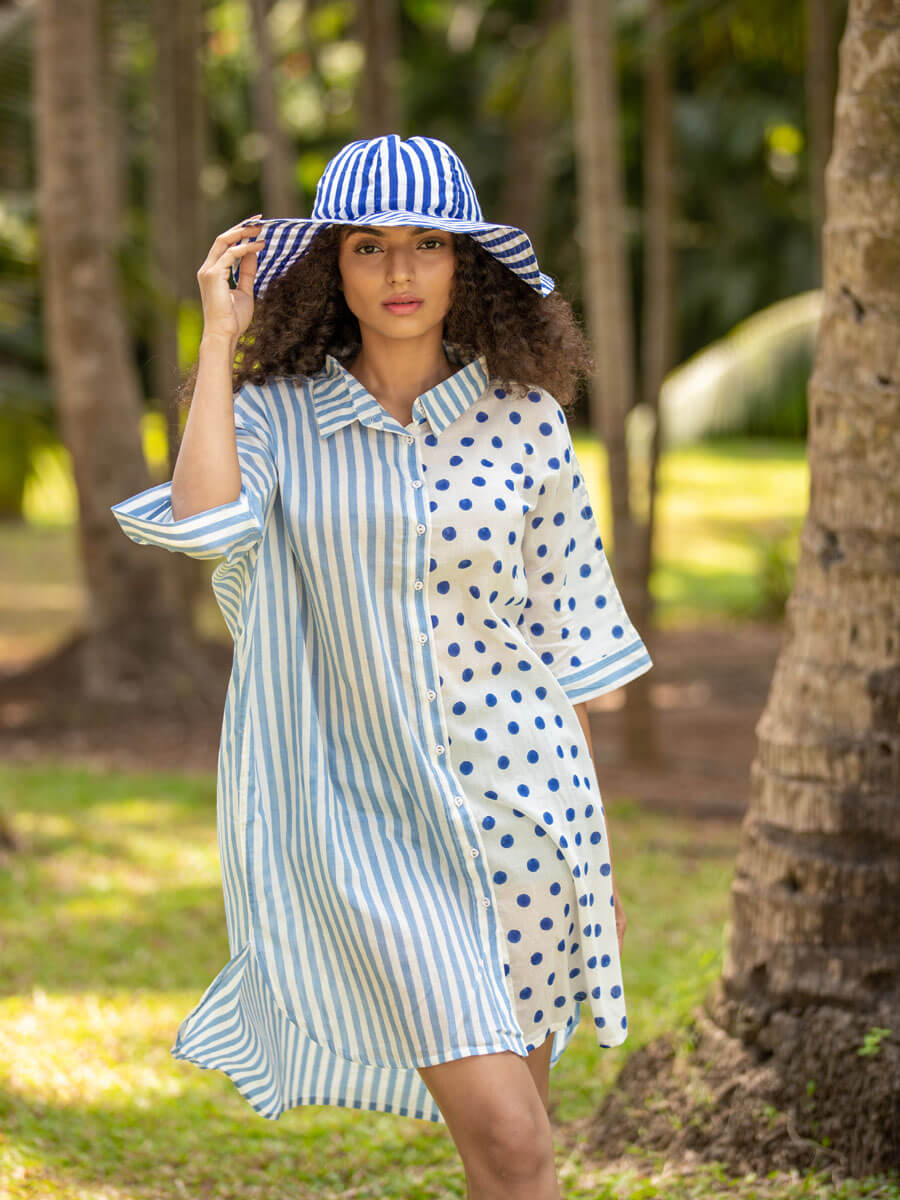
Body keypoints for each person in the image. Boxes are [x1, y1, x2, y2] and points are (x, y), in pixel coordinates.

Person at [111, 134, 653, 1200]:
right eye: (368, 247)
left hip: (528, 815)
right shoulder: (276, 416)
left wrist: (595, 857)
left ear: (466, 264)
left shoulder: (529, 423)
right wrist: (220, 337)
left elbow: (562, 644)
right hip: (368, 827)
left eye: (428, 245)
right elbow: (205, 520)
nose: (400, 271)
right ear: (333, 267)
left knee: (510, 1147)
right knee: (516, 1141)